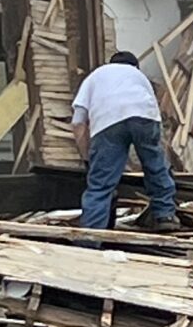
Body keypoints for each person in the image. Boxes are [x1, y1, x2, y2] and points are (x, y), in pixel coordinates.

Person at [70, 49, 179, 231]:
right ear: (135, 66)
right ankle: (165, 215)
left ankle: (91, 236)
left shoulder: (95, 76)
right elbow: (154, 122)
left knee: (100, 185)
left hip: (108, 122)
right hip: (144, 117)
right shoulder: (139, 77)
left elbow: (77, 123)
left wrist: (88, 157)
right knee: (155, 166)